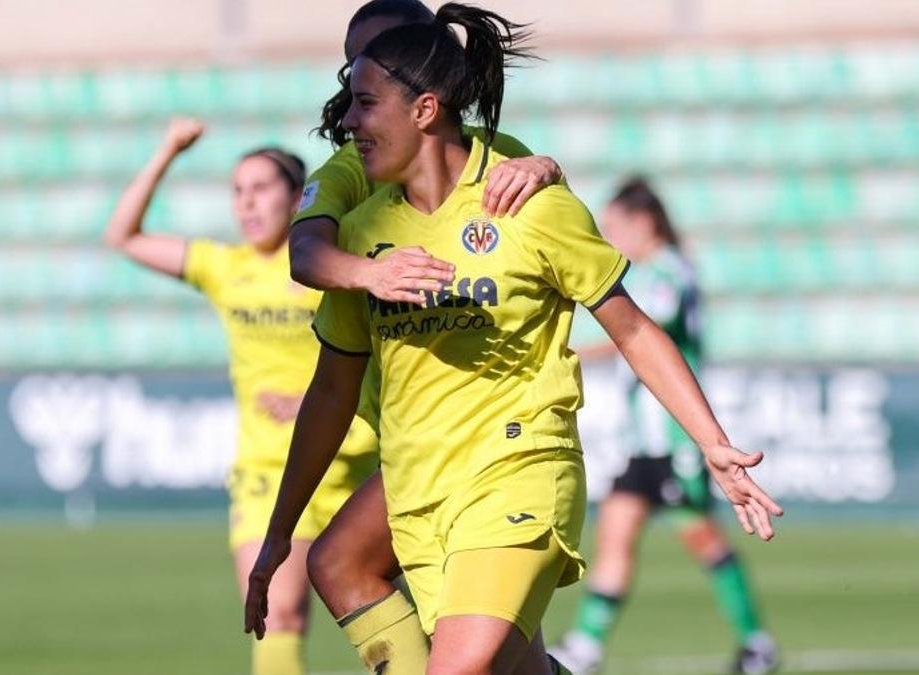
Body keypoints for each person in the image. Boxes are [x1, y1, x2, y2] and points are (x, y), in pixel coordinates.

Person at [244, 5, 783, 673]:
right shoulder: (358, 214)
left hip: (515, 468)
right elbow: (331, 378)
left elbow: (633, 326)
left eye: (363, 98)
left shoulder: (520, 194)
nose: (346, 118)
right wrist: (278, 532)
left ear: (425, 106)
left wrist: (713, 443)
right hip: (417, 484)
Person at [277, 1, 567, 672]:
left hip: (488, 436)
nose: (359, 76)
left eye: (375, 58)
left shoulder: (496, 158)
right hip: (414, 433)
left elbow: (560, 241)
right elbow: (304, 251)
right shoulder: (352, 168)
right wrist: (370, 273)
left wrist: (547, 167)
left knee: (344, 561)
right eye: (353, 66)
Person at [103, 122, 379, 675]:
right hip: (267, 472)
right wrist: (166, 152)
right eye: (237, 191)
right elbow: (123, 236)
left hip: (353, 463)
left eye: (260, 188)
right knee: (279, 617)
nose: (246, 203)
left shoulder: (330, 261)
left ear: (297, 195)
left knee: (405, 626)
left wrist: (313, 400)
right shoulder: (226, 269)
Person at [548, 178, 779, 675]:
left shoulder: (669, 272)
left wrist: (571, 351)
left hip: (675, 440)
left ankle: (756, 642)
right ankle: (586, 646)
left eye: (614, 227)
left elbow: (637, 331)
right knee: (614, 536)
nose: (610, 238)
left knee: (703, 539)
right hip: (642, 443)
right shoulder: (662, 271)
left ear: (644, 223)